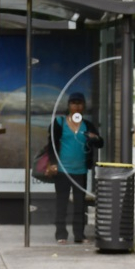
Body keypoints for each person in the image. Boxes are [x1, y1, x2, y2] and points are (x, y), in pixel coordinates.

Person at [49, 92, 104, 244]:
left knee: (80, 204)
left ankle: (79, 234)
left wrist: (95, 138)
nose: (76, 106)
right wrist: (53, 163)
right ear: (69, 106)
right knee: (62, 202)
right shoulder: (59, 123)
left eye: (79, 103)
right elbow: (51, 144)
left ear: (84, 106)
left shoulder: (87, 125)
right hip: (62, 170)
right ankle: (61, 234)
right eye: (73, 103)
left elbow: (100, 143)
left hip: (80, 170)